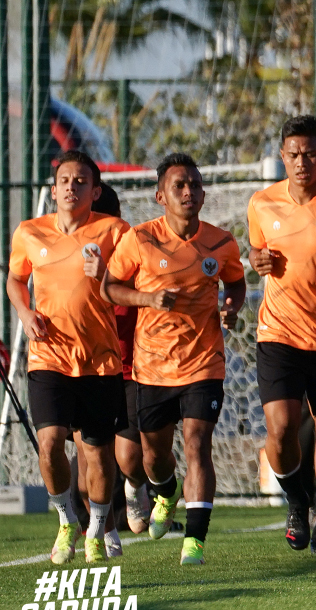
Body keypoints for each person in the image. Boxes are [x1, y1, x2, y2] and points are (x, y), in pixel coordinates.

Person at [105, 153, 246, 566]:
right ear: (160, 195)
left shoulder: (221, 242)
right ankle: (165, 493)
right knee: (153, 457)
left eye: (195, 185)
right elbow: (109, 288)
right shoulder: (140, 239)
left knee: (198, 443)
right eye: (180, 186)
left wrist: (231, 308)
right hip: (152, 367)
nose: (189, 192)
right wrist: (147, 298)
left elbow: (235, 283)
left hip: (205, 363)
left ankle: (195, 543)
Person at [7, 151, 132, 565]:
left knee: (95, 453)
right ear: (54, 187)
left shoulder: (114, 231)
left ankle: (98, 525)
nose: (71, 187)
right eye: (65, 180)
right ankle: (65, 520)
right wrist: (24, 313)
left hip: (99, 362)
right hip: (48, 358)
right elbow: (15, 279)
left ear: (95, 191)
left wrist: (104, 276)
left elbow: (131, 285)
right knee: (49, 443)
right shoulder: (29, 232)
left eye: (81, 182)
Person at [247, 115, 316, 554]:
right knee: (281, 429)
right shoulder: (262, 203)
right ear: (282, 156)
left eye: (311, 155)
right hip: (278, 332)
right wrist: (258, 259)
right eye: (293, 154)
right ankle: (297, 503)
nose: (302, 162)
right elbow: (259, 247)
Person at [95, 183, 148, 551]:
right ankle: (101, 531)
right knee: (89, 461)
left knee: (128, 456)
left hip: (131, 368)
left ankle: (139, 483)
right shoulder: (68, 250)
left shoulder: (134, 248)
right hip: (87, 368)